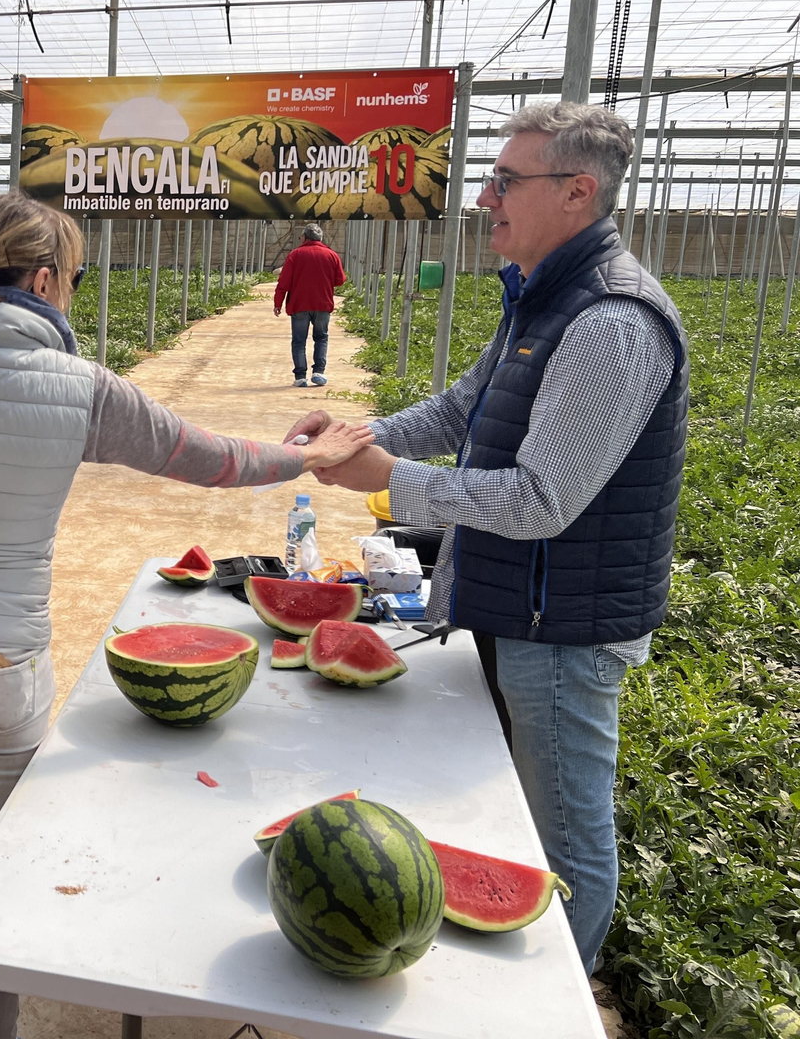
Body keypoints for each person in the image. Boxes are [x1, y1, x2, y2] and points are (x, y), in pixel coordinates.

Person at [0, 191, 371, 1039]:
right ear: (42, 278)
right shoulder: (84, 388)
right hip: (2, 667)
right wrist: (305, 457)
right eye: (69, 278)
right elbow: (209, 458)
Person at [291, 101, 686, 976]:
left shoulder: (609, 322)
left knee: (566, 841)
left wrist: (391, 480)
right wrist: (359, 435)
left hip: (566, 634)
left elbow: (543, 500)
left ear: (576, 192)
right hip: (523, 614)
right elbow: (462, 408)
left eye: (506, 180)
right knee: (516, 818)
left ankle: (548, 1002)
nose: (483, 196)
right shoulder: (542, 299)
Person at [273, 222, 346, 387]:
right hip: (323, 304)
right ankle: (319, 372)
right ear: (320, 238)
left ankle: (300, 377)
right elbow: (340, 280)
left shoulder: (295, 255)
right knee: (321, 338)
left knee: (299, 340)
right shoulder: (332, 255)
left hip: (300, 305)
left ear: (304, 237)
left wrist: (278, 303)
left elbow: (283, 282)